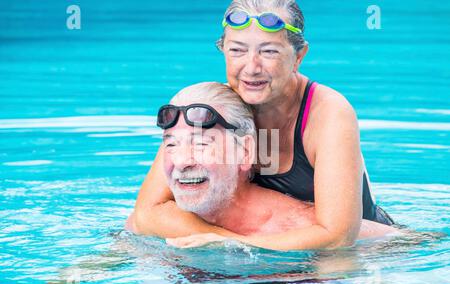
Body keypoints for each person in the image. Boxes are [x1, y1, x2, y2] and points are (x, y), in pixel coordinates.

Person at [127, 0, 396, 250]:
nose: (251, 68)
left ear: (299, 56)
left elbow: (337, 237)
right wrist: (223, 241)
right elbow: (146, 212)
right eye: (237, 51)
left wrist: (234, 244)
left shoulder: (327, 113)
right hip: (264, 245)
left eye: (268, 51)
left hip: (366, 250)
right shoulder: (216, 109)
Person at [126, 82, 399, 250]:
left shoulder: (295, 226)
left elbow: (395, 243)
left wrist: (231, 244)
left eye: (201, 145)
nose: (182, 161)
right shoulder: (155, 222)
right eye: (171, 144)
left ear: (245, 152)